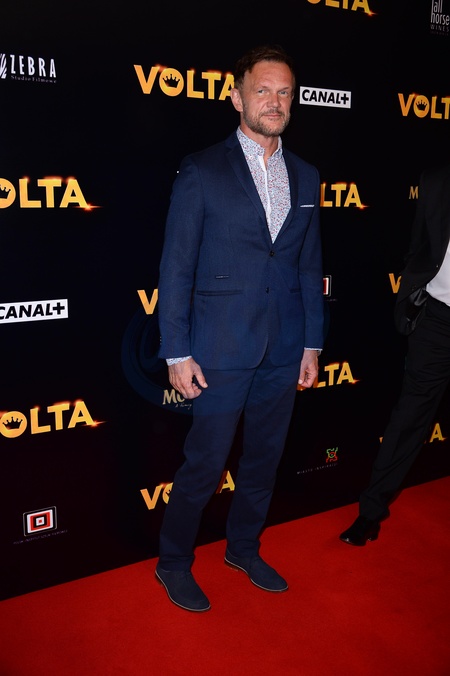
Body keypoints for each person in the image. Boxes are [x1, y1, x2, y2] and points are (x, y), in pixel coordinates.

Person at [155, 44, 324, 611]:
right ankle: (173, 562)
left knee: (263, 460)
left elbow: (308, 266)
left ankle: (243, 549)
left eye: (284, 93)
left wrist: (311, 344)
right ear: (237, 97)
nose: (274, 101)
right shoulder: (203, 169)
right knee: (205, 465)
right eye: (262, 90)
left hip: (285, 346)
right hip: (219, 348)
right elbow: (176, 268)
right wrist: (176, 351)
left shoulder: (306, 175)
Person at [340, 162, 450, 546]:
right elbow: (419, 246)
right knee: (408, 418)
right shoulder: (437, 180)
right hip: (437, 321)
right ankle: (370, 513)